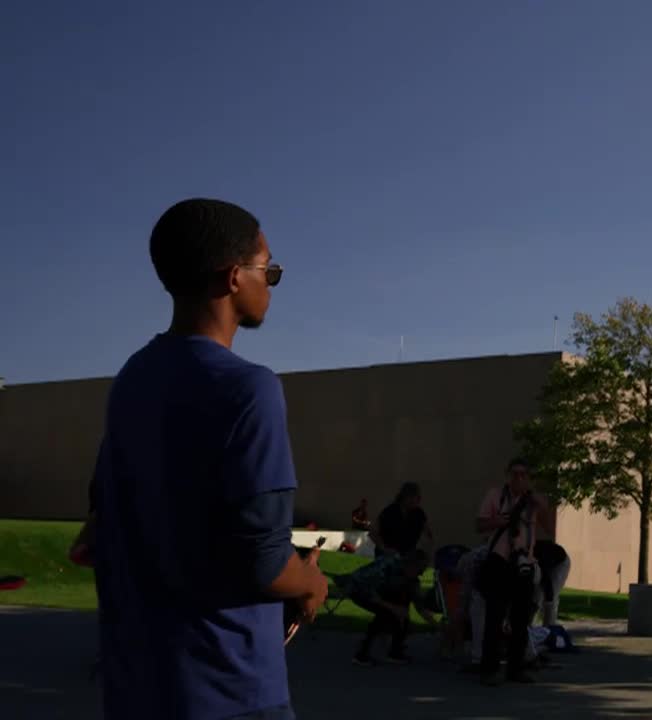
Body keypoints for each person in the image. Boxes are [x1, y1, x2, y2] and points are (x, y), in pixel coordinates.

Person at [90, 198, 328, 719]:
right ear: (233, 278)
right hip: (231, 690)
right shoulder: (249, 388)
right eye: (269, 270)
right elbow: (265, 562)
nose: (272, 282)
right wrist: (311, 582)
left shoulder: (132, 381)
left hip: (138, 686)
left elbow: (104, 528)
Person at [474, 457, 553, 685]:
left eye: (523, 474)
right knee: (494, 618)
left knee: (520, 620)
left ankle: (515, 669)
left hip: (523, 565)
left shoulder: (534, 502)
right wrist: (497, 521)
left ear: (529, 478)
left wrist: (543, 507)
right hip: (499, 562)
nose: (518, 478)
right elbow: (479, 525)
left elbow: (549, 529)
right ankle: (489, 669)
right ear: (507, 475)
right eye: (514, 473)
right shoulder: (495, 496)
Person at [346, 549, 430, 666]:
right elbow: (372, 595)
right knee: (385, 613)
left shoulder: (411, 580)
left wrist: (438, 626)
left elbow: (419, 607)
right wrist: (394, 608)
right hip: (359, 588)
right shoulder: (387, 566)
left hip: (381, 591)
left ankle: (395, 651)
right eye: (420, 570)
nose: (421, 574)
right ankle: (361, 654)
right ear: (411, 565)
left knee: (401, 606)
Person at [370, 482, 432, 558]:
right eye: (412, 497)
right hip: (387, 558)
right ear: (404, 497)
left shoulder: (419, 514)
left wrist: (421, 552)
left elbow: (427, 535)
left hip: (406, 559)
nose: (415, 501)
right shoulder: (390, 512)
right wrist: (385, 548)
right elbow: (373, 533)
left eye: (416, 497)